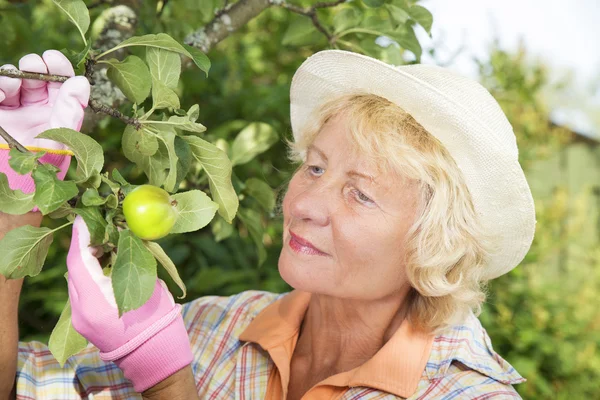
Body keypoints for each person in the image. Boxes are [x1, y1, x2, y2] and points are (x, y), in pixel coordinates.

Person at [0, 49, 535, 399]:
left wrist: (164, 378)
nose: (304, 202)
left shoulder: (467, 393)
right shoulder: (217, 328)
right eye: (316, 167)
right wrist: (11, 219)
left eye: (360, 193)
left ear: (433, 242)